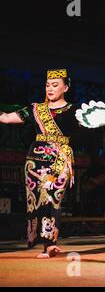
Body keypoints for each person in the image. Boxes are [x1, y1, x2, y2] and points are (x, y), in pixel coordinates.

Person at [0, 69, 78, 258]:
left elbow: (92, 122)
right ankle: (43, 244)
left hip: (59, 158)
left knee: (52, 198)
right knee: (35, 202)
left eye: (55, 85)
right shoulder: (36, 109)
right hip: (34, 161)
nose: (50, 88)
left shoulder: (75, 110)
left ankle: (50, 244)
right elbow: (7, 118)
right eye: (47, 85)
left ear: (65, 87)